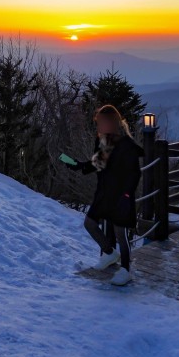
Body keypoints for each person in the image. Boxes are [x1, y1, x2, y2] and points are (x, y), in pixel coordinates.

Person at [61, 104, 143, 286]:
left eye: (101, 123)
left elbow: (135, 173)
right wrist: (77, 165)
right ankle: (109, 253)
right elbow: (97, 164)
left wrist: (127, 195)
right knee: (89, 223)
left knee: (120, 232)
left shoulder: (126, 145)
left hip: (121, 194)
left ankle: (126, 270)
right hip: (105, 192)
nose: (99, 127)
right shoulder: (105, 142)